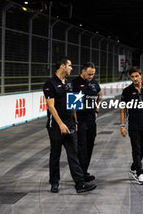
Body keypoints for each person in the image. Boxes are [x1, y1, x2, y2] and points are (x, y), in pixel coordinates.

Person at [43, 57, 96, 193]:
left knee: (73, 154)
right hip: (56, 126)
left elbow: (74, 104)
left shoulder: (69, 83)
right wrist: (60, 124)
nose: (71, 68)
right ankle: (54, 182)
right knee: (55, 154)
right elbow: (51, 107)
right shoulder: (50, 84)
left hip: (70, 124)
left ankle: (80, 184)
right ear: (62, 66)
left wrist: (75, 121)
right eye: (70, 65)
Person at [72, 62, 102, 182]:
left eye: (93, 74)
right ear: (83, 71)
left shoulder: (94, 83)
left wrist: (96, 110)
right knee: (81, 148)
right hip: (80, 120)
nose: (91, 76)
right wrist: (75, 121)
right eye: (89, 74)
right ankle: (80, 175)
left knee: (89, 147)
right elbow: (72, 104)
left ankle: (84, 171)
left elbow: (100, 95)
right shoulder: (74, 83)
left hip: (91, 120)